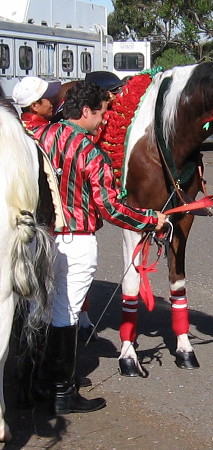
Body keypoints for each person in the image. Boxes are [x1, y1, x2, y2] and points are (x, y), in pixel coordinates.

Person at [32, 81, 167, 415]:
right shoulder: (91, 152)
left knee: (42, 309)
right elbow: (110, 207)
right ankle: (63, 391)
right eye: (102, 113)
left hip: (41, 237)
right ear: (87, 111)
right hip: (76, 239)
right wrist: (151, 220)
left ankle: (38, 383)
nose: (104, 120)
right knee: (65, 312)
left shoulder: (39, 138)